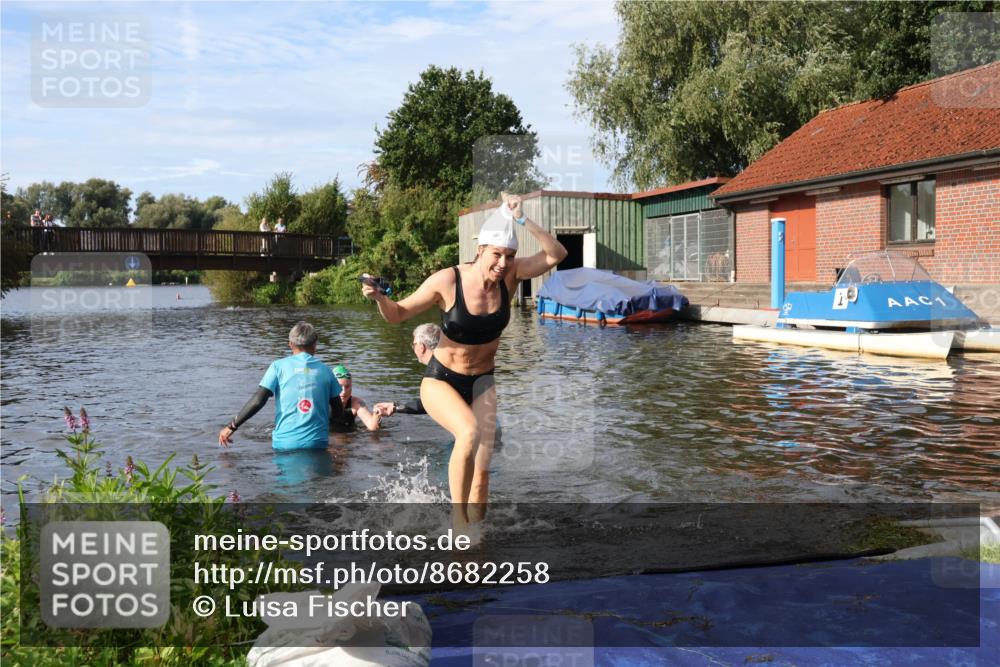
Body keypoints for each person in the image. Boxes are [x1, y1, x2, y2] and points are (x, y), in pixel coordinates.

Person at [361, 193, 566, 531]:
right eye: (497, 255)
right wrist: (380, 298)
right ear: (480, 249)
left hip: (484, 381)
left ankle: (478, 538)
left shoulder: (512, 274)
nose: (502, 263)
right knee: (468, 433)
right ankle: (459, 528)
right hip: (442, 380)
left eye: (509, 256)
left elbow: (557, 254)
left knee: (483, 475)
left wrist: (521, 219)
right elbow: (397, 315)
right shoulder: (448, 280)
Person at [218, 322, 344, 450]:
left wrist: (232, 427)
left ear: (290, 344)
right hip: (317, 443)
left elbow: (258, 401)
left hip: (285, 444)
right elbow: (338, 412)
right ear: (315, 345)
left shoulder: (278, 367)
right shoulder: (326, 371)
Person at [374, 323, 441, 416]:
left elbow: (433, 404)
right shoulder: (447, 363)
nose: (413, 348)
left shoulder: (434, 373)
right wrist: (395, 407)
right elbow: (431, 404)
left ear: (422, 347)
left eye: (414, 345)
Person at [330, 365, 383, 432]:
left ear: (351, 386)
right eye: (339, 386)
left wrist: (377, 413)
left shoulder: (356, 403)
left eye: (347, 386)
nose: (344, 392)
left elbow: (372, 428)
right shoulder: (323, 402)